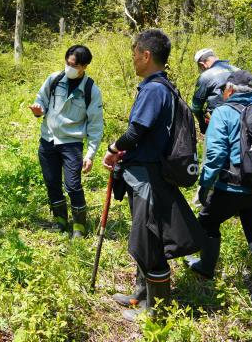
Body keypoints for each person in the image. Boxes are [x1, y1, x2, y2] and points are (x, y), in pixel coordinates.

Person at [103, 30, 203, 321]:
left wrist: (113, 149)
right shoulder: (163, 88)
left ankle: (156, 311)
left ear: (146, 55)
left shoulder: (154, 89)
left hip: (148, 176)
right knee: (145, 236)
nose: (133, 60)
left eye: (135, 55)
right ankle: (141, 294)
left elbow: (137, 131)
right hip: (145, 173)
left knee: (149, 239)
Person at [185, 70, 252, 319]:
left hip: (231, 187)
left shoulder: (223, 112)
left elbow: (214, 155)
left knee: (207, 222)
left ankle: (205, 267)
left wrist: (205, 185)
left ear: (229, 90)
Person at [29, 45, 104, 238]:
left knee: (72, 185)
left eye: (74, 65)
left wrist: (90, 154)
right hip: (48, 139)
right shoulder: (54, 79)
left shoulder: (90, 90)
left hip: (71, 143)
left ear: (84, 66)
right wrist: (39, 110)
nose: (69, 67)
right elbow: (41, 100)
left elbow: (95, 125)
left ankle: (79, 225)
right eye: (67, 63)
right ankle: (60, 219)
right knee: (52, 182)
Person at [191, 48, 239, 134]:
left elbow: (196, 107)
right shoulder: (237, 70)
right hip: (244, 121)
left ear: (202, 65)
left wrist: (202, 123)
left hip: (222, 125)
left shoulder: (206, 76)